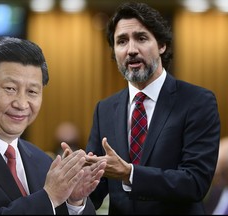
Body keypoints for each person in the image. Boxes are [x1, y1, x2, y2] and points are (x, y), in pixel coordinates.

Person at [80, 1, 220, 215]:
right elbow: (95, 191)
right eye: (122, 41)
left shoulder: (198, 101)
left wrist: (130, 173)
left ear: (162, 45)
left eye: (141, 38)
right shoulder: (105, 109)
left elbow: (195, 182)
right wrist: (75, 189)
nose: (131, 50)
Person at [0, 36, 106, 215]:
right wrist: (49, 197)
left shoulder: (42, 160)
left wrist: (73, 202)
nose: (22, 104)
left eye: (32, 92)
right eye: (10, 88)